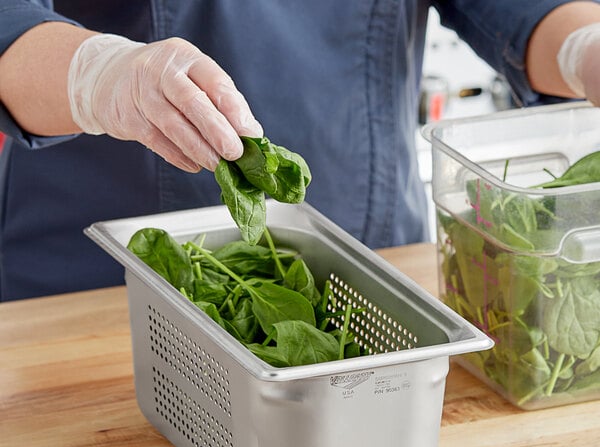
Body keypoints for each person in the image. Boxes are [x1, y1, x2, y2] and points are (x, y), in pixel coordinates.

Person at [1, 1, 600, 301]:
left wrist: (585, 47)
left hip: (365, 252)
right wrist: (99, 74)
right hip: (86, 279)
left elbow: (527, 9)